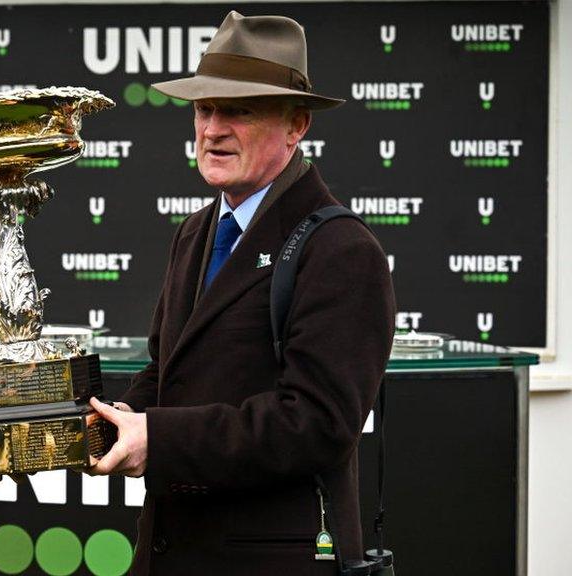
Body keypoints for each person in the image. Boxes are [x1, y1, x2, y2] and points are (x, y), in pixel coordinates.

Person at [89, 12, 396, 575]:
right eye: (204, 109)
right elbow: (168, 373)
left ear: (296, 125)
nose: (212, 129)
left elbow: (317, 424)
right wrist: (114, 419)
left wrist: (157, 437)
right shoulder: (193, 233)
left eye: (240, 110)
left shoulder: (344, 251)